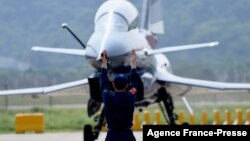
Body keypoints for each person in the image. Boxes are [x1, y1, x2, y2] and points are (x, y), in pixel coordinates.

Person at [99, 50, 138, 141]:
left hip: (112, 136)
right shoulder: (130, 96)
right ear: (127, 85)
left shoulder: (107, 96)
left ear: (113, 85)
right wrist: (133, 62)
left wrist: (104, 62)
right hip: (127, 136)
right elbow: (135, 82)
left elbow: (103, 81)